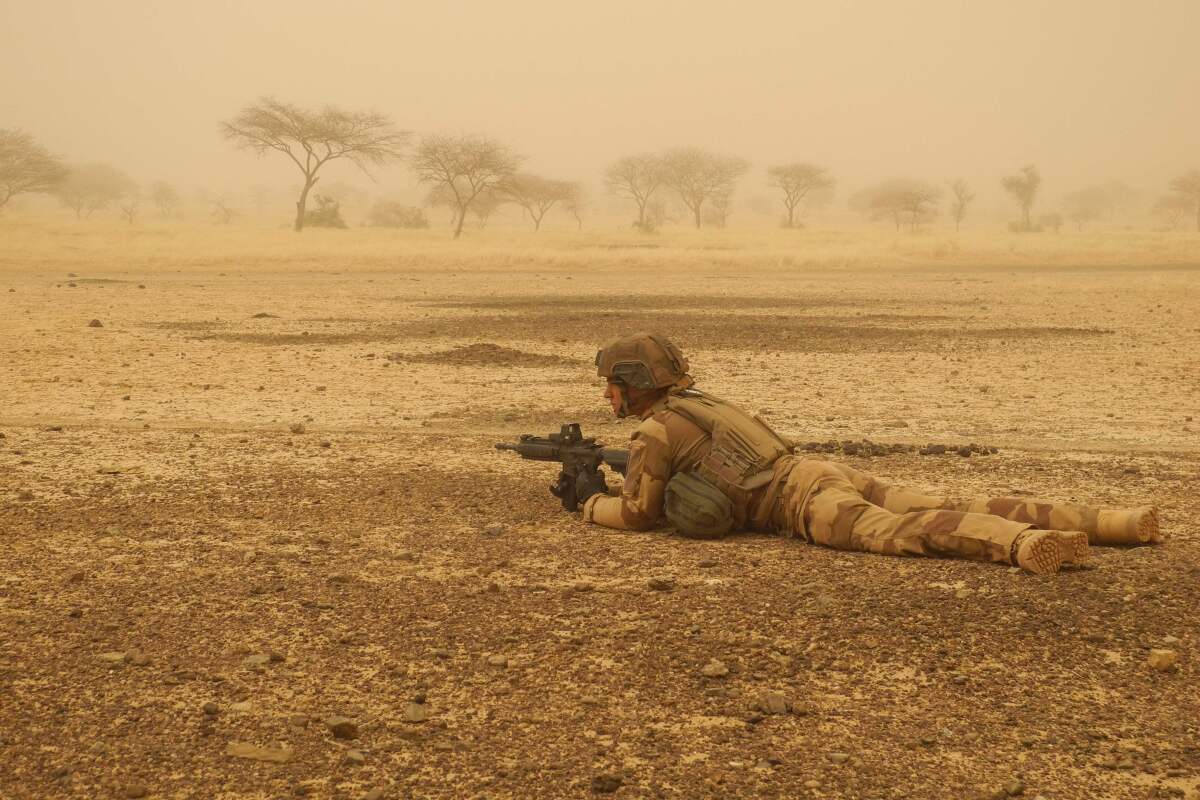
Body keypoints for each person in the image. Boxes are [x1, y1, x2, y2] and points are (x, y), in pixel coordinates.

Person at [570, 333, 1161, 576]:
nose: (607, 394)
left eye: (612, 384)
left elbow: (641, 515)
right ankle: (1115, 523)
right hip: (817, 470)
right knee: (951, 499)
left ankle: (1019, 544)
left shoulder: (655, 432)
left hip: (799, 502)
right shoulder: (701, 403)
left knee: (909, 531)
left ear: (634, 380)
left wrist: (589, 502)